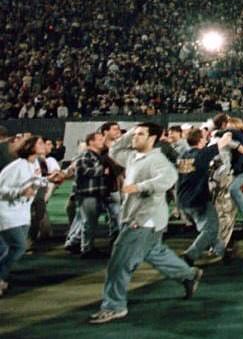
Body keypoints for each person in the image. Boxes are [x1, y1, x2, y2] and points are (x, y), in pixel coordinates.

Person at [89, 123, 203, 324]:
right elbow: (115, 149)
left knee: (119, 263)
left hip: (143, 220)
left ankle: (114, 306)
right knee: (156, 253)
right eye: (135, 134)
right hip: (143, 219)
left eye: (140, 134)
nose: (134, 137)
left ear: (152, 138)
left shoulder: (157, 159)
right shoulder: (133, 156)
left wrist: (139, 187)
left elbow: (169, 178)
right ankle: (189, 274)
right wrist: (132, 132)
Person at [0, 135, 50, 295]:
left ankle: (3, 279)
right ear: (30, 147)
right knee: (19, 246)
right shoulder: (16, 167)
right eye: (40, 143)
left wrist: (49, 179)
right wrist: (19, 191)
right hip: (7, 213)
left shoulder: (34, 163)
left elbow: (34, 181)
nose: (44, 145)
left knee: (8, 248)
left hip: (22, 213)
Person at [176, 128, 234, 265]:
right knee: (211, 229)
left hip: (183, 199)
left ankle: (222, 252)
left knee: (208, 228)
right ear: (200, 140)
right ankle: (190, 255)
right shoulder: (202, 154)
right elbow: (224, 141)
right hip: (198, 199)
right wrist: (229, 132)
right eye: (204, 137)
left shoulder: (182, 156)